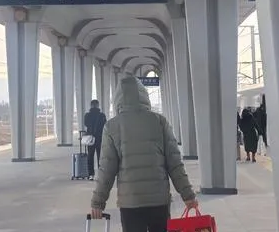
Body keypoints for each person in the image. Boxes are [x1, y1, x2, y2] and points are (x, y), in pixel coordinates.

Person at [90, 77, 198, 232]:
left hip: (130, 202)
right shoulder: (160, 122)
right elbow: (175, 164)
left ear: (117, 100)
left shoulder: (111, 126)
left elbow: (106, 169)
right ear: (144, 96)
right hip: (159, 201)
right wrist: (188, 195)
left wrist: (98, 202)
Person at [84, 99, 107, 180]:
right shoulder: (102, 115)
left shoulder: (87, 115)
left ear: (91, 105)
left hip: (90, 138)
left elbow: (86, 124)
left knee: (90, 156)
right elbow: (105, 125)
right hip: (99, 138)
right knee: (100, 156)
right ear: (98, 105)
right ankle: (100, 174)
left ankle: (91, 174)